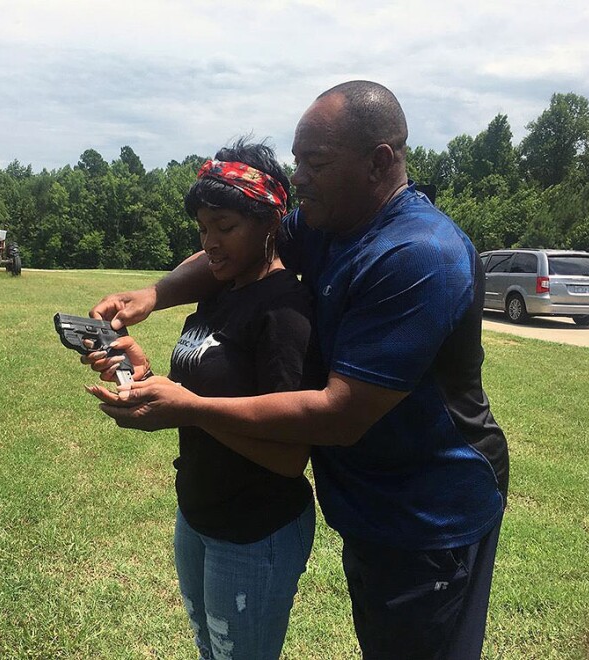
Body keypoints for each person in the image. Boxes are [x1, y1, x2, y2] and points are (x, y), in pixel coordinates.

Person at [87, 81, 509, 660]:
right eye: (296, 160)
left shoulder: (417, 254)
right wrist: (152, 296)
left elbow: (340, 415)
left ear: (378, 162)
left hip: (430, 508)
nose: (299, 178)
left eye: (315, 162)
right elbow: (237, 246)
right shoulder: (331, 223)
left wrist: (188, 406)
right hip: (368, 496)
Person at [86, 139, 324, 659]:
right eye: (202, 229)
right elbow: (198, 387)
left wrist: (186, 406)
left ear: (268, 224)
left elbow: (290, 457)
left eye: (225, 228)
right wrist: (141, 373)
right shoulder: (220, 290)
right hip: (198, 513)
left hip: (255, 529)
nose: (209, 243)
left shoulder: (284, 310)